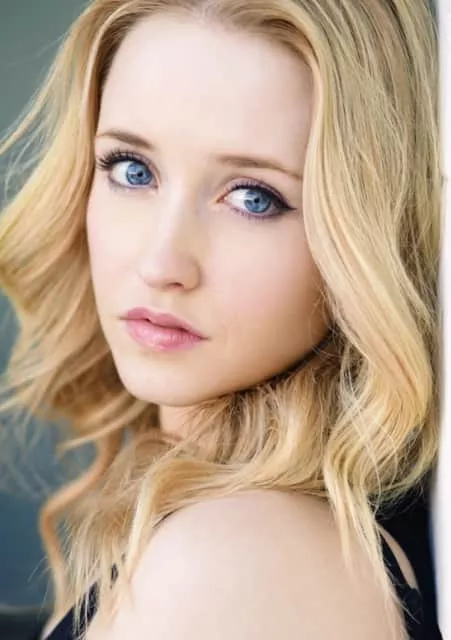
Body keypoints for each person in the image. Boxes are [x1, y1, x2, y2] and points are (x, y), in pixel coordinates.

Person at [0, 0, 443, 638]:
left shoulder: (235, 561)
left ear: (364, 231)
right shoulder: (244, 531)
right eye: (132, 170)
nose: (161, 263)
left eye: (254, 198)